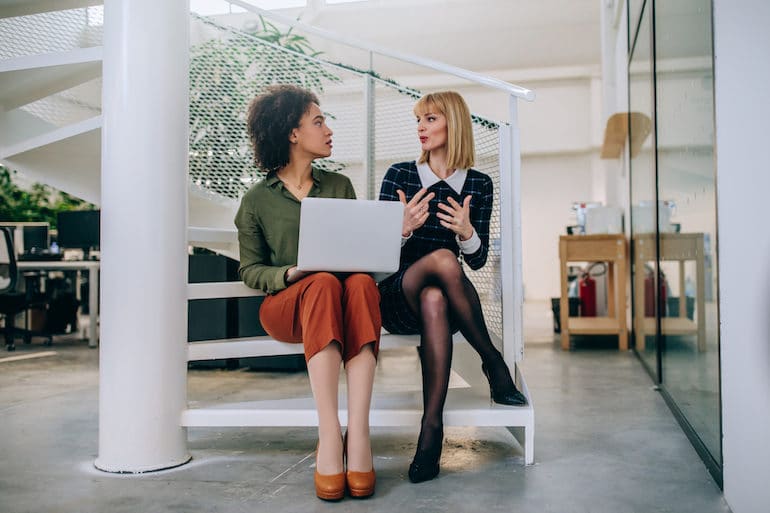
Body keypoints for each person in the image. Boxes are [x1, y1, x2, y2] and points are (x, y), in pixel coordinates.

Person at [235, 85, 379, 501]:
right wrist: (294, 271)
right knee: (319, 281)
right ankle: (330, 432)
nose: (328, 129)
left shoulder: (340, 185)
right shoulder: (257, 200)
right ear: (292, 134)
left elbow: (357, 255)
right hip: (288, 306)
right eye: (319, 121)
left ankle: (360, 431)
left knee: (360, 282)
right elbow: (250, 269)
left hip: (341, 299)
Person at [378, 91, 527, 484]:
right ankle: (493, 362)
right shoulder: (400, 175)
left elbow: (475, 261)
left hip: (440, 305)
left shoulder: (478, 183)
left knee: (436, 294)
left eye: (430, 119)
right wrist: (403, 228)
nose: (420, 128)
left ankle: (431, 431)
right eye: (418, 120)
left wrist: (467, 233)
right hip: (396, 293)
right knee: (443, 263)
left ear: (453, 124)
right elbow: (375, 258)